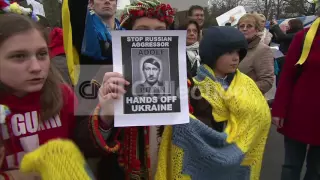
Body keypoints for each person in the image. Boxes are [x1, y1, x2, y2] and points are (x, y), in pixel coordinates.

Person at [156, 26, 271, 180]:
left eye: (238, 52)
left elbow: (262, 116)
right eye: (229, 52)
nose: (235, 58)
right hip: (203, 166)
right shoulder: (193, 87)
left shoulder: (247, 84)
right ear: (213, 53)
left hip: (241, 164)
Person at [85, 1, 175, 179]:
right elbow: (83, 142)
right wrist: (105, 117)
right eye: (142, 30)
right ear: (128, 33)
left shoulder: (181, 74)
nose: (151, 37)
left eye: (160, 30)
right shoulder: (102, 73)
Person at [0, 13, 77, 178]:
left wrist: (105, 114)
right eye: (19, 56)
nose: (36, 67)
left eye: (42, 54)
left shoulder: (63, 95)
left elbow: (85, 146)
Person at [271, 7, 320, 180]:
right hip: (299, 112)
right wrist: (278, 109)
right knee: (291, 166)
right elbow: (287, 76)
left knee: (317, 169)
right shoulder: (304, 38)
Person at [237, 13, 274, 94]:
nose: (245, 29)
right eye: (242, 26)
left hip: (249, 101)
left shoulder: (263, 50)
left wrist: (241, 91)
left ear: (257, 30)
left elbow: (267, 81)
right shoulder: (234, 49)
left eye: (249, 26)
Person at [270, 18, 303, 85]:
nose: (287, 26)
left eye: (289, 25)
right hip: (282, 63)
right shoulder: (288, 36)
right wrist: (272, 28)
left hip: (289, 65)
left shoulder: (297, 35)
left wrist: (276, 26)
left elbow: (282, 37)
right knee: (279, 83)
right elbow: (275, 39)